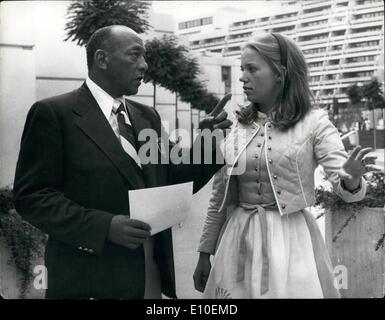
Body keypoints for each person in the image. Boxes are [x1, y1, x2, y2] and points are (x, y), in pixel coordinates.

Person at [13, 25, 232, 299]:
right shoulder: (53, 114)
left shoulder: (146, 117)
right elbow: (32, 197)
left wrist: (209, 143)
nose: (144, 65)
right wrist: (104, 226)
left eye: (145, 57)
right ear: (102, 59)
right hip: (87, 278)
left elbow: (173, 178)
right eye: (134, 56)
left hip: (149, 276)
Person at [193, 32, 380, 298]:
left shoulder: (314, 122)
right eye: (242, 68)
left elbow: (345, 186)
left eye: (252, 69)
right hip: (236, 241)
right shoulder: (238, 127)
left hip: (292, 243)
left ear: (280, 73)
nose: (242, 76)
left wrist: (351, 179)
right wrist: (205, 251)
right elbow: (218, 197)